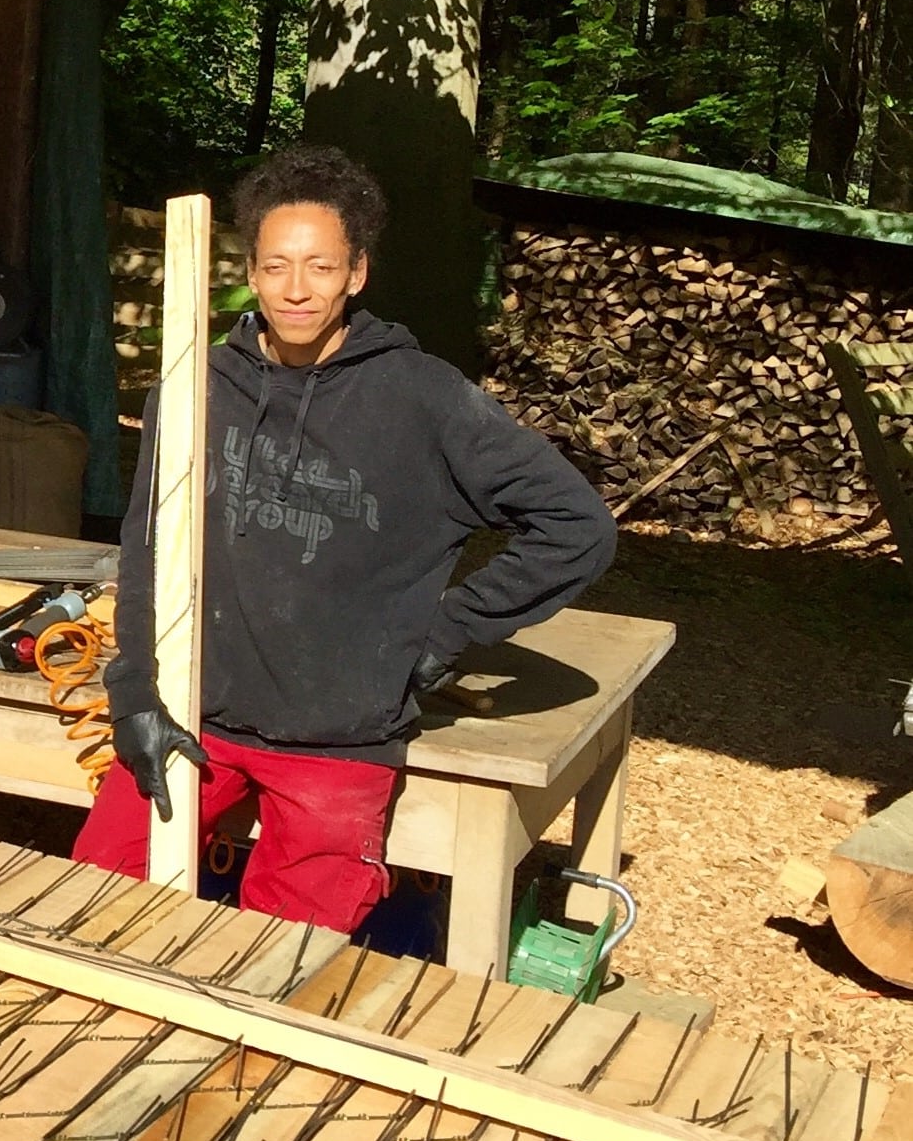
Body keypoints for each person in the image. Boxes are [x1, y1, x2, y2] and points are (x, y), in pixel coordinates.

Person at [73, 142, 614, 932]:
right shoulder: (195, 388)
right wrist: (133, 694)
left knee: (287, 963)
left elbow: (578, 528)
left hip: (335, 741)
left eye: (321, 267)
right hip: (196, 713)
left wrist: (440, 638)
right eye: (277, 266)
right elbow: (147, 546)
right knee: (95, 910)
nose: (297, 289)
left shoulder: (422, 400)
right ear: (250, 271)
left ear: (357, 273)